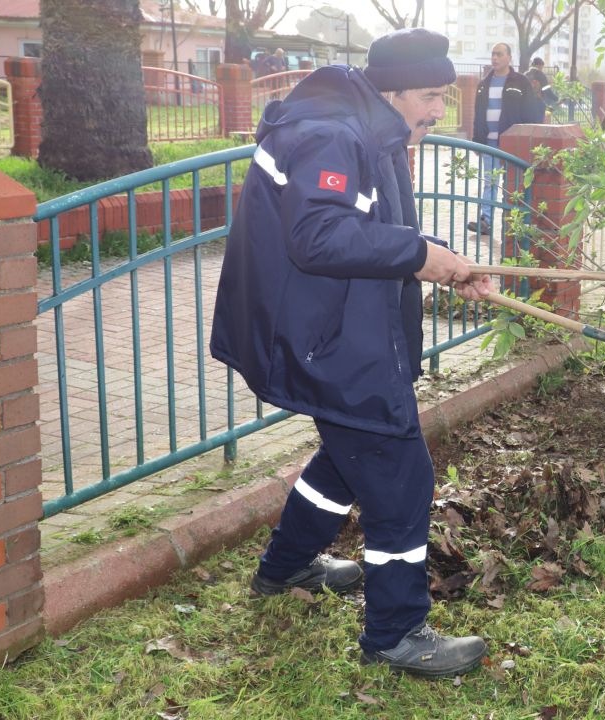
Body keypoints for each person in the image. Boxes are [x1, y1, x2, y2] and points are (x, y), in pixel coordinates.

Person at [210, 27, 495, 679]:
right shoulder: (332, 134)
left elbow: (376, 229)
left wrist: (445, 262)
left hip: (335, 331)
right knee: (401, 480)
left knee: (348, 459)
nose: (438, 110)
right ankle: (396, 633)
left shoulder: (372, 125)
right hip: (329, 341)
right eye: (431, 95)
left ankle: (287, 568)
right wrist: (422, 257)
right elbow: (319, 235)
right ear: (395, 91)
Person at [469, 43, 533, 235]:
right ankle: (485, 221)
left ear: (509, 58)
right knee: (490, 181)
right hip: (489, 144)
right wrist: (476, 140)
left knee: (512, 184)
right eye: (493, 54)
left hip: (512, 144)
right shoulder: (484, 84)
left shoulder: (521, 82)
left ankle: (512, 224)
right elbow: (478, 114)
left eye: (499, 54)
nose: (495, 58)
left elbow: (529, 112)